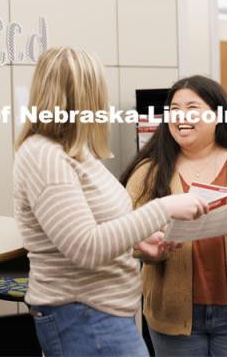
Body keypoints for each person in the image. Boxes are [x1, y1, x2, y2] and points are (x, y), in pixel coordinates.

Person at [13, 48, 208, 357]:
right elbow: (86, 247)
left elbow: (94, 230)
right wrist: (163, 208)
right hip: (83, 317)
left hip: (102, 315)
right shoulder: (45, 157)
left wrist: (138, 243)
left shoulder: (75, 151)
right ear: (86, 96)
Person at [121, 75, 227, 357]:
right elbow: (125, 235)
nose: (181, 116)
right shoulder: (147, 173)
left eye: (192, 107)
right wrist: (148, 247)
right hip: (173, 317)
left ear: (218, 116)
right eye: (174, 110)